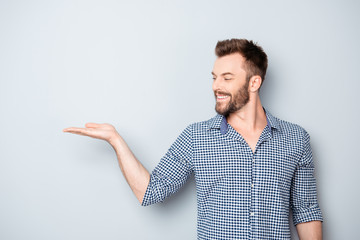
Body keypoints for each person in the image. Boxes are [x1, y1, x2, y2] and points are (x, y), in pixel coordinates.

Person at [63, 38, 323, 239]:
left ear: (254, 83)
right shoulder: (196, 137)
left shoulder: (295, 139)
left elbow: (306, 210)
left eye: (227, 78)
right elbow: (151, 192)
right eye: (214, 77)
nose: (215, 86)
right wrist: (115, 140)